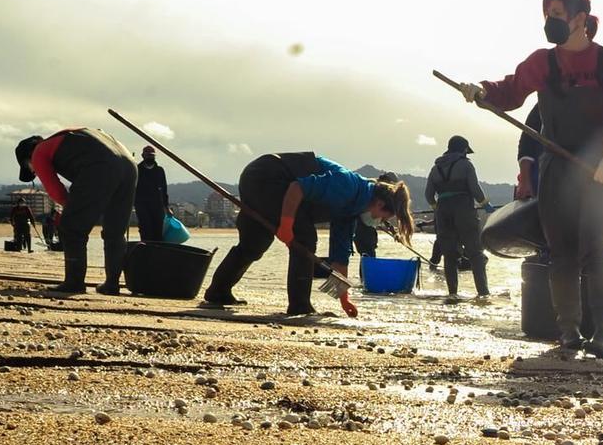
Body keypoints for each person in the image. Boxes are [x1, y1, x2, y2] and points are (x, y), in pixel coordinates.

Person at [460, 0, 603, 360]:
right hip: (557, 170)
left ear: (580, 19)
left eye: (557, 14)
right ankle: (568, 330)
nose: (551, 21)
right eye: (547, 15)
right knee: (562, 253)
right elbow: (510, 92)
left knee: (598, 247)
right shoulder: (543, 62)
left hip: (602, 169)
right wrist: (481, 90)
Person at [201, 152, 413, 318]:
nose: (379, 222)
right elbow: (297, 188)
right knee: (305, 238)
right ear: (379, 203)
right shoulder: (347, 186)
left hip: (265, 180)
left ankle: (217, 292)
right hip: (267, 175)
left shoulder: (352, 210)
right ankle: (300, 306)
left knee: (255, 242)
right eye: (383, 218)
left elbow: (340, 256)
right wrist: (286, 225)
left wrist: (343, 299)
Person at [15, 127, 138, 295]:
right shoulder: (74, 137)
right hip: (129, 166)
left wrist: (73, 209)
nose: (33, 171)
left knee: (71, 227)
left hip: (100, 166)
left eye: (29, 167)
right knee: (115, 231)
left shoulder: (39, 152)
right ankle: (111, 284)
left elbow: (56, 192)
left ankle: (74, 283)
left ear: (27, 158)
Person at [426, 135, 490, 303]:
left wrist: (437, 207)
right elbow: (475, 189)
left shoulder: (435, 169)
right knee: (475, 253)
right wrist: (485, 204)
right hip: (464, 211)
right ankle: (483, 294)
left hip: (443, 212)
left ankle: (452, 293)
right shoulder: (466, 165)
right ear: (463, 150)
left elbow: (428, 195)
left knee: (449, 255)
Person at [136, 145, 170, 242]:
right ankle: (146, 249)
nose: (150, 157)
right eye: (148, 155)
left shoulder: (159, 170)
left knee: (158, 229)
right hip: (141, 204)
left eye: (152, 155)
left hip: (157, 204)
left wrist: (166, 207)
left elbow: (164, 189)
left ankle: (158, 251)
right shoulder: (137, 169)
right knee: (145, 228)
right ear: (143, 155)